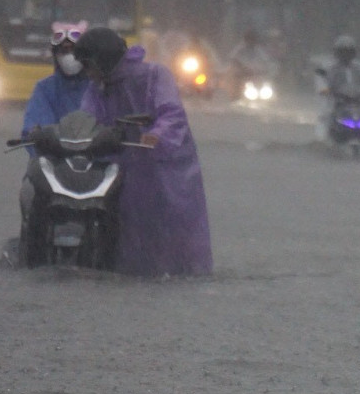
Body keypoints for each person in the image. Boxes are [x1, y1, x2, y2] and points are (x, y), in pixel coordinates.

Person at [70, 26, 213, 277]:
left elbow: (172, 113)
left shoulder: (155, 75)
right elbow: (86, 118)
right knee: (125, 223)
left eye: (89, 65)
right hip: (120, 165)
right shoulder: (98, 87)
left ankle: (180, 273)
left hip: (165, 169)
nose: (86, 73)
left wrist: (156, 136)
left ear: (103, 61)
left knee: (168, 224)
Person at [17, 23, 97, 265]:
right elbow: (32, 127)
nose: (68, 57)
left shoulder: (99, 87)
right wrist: (38, 137)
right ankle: (32, 258)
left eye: (72, 51)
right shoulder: (44, 89)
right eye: (62, 52)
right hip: (53, 166)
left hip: (94, 166)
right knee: (32, 196)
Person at [316, 34, 360, 139]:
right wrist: (325, 90)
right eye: (343, 52)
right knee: (325, 115)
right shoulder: (330, 67)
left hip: (357, 100)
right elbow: (323, 80)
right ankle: (323, 140)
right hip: (337, 100)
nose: (346, 55)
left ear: (353, 53)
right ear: (337, 53)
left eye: (348, 52)